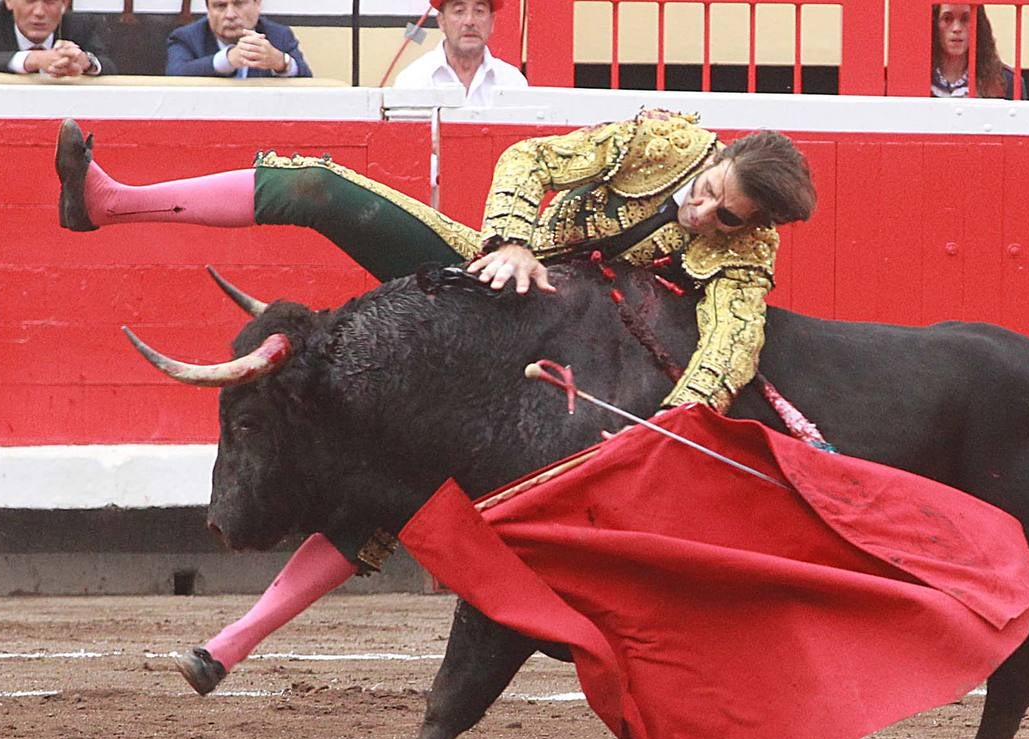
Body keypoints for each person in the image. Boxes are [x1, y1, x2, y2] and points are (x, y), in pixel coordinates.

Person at [53, 109, 816, 694]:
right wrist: (512, 240)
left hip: (545, 364)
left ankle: (232, 644)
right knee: (322, 188)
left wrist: (679, 416)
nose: (703, 217)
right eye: (714, 194)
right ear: (715, 158)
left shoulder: (748, 251)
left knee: (391, 490)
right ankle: (111, 201)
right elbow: (533, 158)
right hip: (500, 277)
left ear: (754, 226)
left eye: (727, 218)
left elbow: (730, 342)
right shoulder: (665, 143)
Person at [392, 0, 526, 104]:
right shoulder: (413, 81)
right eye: (459, 11)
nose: (469, 21)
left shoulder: (512, 82)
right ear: (441, 21)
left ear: (492, 22)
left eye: (479, 11)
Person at [166, 0, 311, 79]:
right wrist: (226, 60)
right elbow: (174, 75)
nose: (230, 15)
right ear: (208, 10)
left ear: (257, 4)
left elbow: (307, 79)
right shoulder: (186, 37)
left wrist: (281, 62)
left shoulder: (279, 35)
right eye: (220, 6)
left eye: (239, 4)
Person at [0, 0, 115, 76]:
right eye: (30, 1)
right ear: (9, 2)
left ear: (64, 4)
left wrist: (85, 62)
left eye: (49, 2)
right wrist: (32, 59)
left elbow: (110, 66)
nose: (39, 12)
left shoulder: (82, 24)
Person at [930, 3, 1016, 99]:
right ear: (934, 24)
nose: (956, 28)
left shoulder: (1007, 81)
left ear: (978, 25)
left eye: (965, 19)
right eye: (947, 19)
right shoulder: (916, 77)